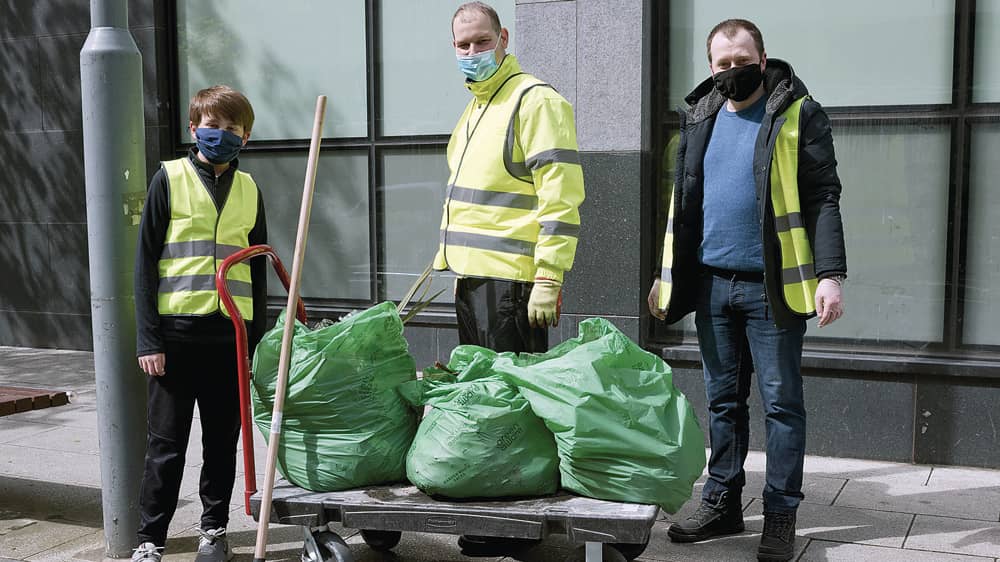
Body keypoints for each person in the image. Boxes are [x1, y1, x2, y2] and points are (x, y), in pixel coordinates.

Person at [647, 19, 847, 562]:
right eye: (722, 64)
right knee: (722, 401)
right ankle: (723, 501)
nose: (732, 72)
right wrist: (666, 274)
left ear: (762, 58)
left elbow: (823, 196)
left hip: (772, 290)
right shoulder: (699, 116)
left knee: (782, 404)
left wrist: (830, 274)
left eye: (741, 61)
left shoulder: (797, 114)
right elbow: (682, 207)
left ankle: (780, 515)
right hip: (712, 285)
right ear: (711, 67)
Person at [132, 85, 267, 562]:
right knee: (166, 447)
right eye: (212, 125)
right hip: (174, 337)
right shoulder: (168, 179)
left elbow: (258, 264)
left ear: (245, 136)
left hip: (229, 337)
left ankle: (214, 530)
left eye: (232, 128)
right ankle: (151, 538)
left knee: (221, 443)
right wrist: (149, 339)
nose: (221, 134)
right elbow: (145, 264)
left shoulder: (250, 189)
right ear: (194, 128)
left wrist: (259, 344)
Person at [433, 1, 585, 356]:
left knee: (509, 398)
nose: (473, 52)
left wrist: (549, 276)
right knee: (483, 392)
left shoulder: (535, 101)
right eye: (463, 45)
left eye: (482, 42)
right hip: (473, 279)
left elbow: (561, 197)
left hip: (510, 284)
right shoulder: (476, 108)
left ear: (503, 38)